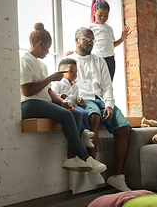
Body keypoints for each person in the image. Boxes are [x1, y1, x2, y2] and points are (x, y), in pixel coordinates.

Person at [20, 22, 106, 174]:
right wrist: (51, 78)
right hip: (29, 104)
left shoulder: (42, 65)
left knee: (76, 112)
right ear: (40, 44)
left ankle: (71, 157)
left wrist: (62, 102)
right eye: (47, 48)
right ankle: (85, 157)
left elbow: (48, 92)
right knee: (67, 115)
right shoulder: (25, 61)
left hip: (43, 102)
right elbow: (27, 91)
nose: (48, 52)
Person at [68, 27, 132, 192]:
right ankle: (93, 166)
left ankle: (116, 176)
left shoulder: (99, 60)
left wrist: (109, 105)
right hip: (82, 99)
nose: (90, 43)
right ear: (76, 40)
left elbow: (108, 87)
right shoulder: (69, 61)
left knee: (124, 127)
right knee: (94, 117)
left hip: (101, 99)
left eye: (92, 40)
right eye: (86, 39)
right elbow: (66, 88)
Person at [66, 0, 131, 81]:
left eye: (106, 15)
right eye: (100, 15)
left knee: (108, 83)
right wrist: (75, 52)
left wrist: (122, 39)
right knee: (97, 83)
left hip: (110, 60)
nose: (103, 17)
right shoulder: (91, 27)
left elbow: (112, 45)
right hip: (97, 59)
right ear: (94, 13)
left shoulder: (109, 28)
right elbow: (84, 43)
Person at [52, 58, 94, 148]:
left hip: (73, 105)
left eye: (76, 71)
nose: (74, 74)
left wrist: (79, 99)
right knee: (77, 114)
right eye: (71, 71)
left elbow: (76, 97)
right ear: (62, 73)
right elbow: (53, 95)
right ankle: (83, 132)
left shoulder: (75, 86)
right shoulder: (58, 83)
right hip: (63, 105)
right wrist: (60, 96)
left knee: (84, 113)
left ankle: (87, 136)